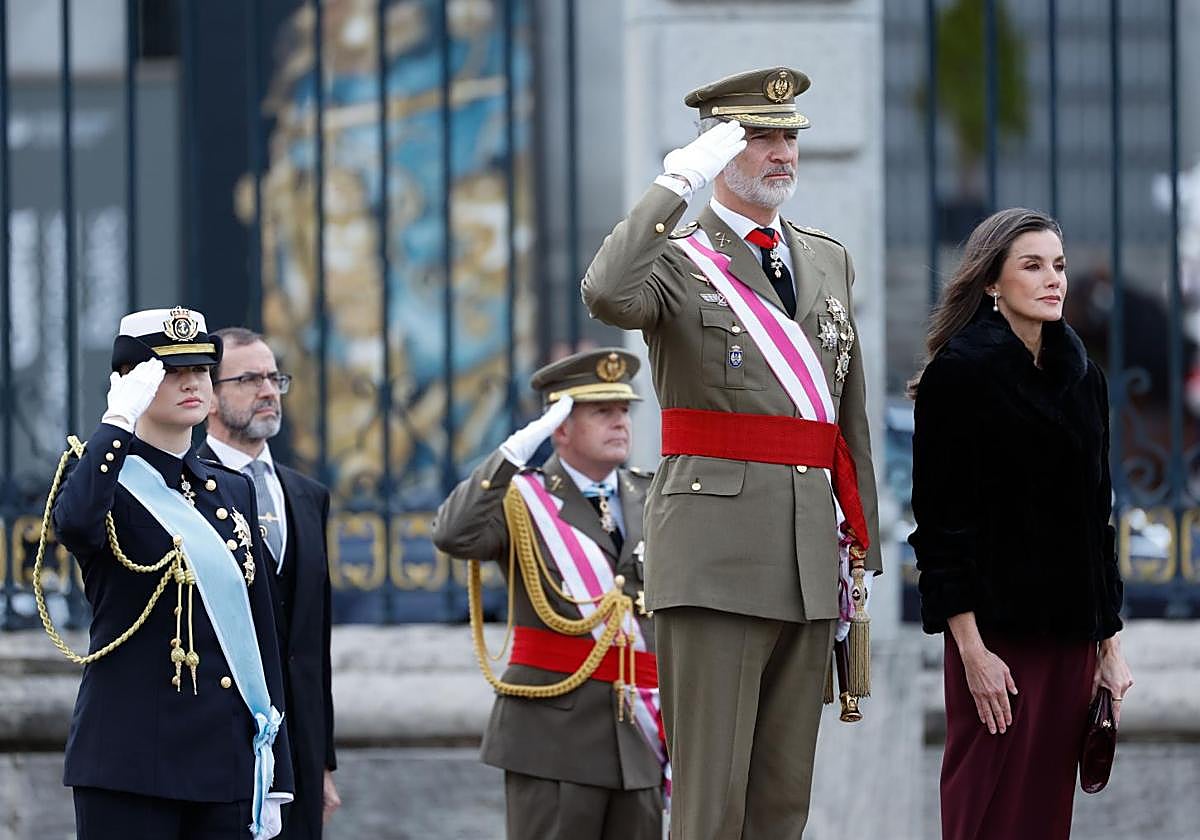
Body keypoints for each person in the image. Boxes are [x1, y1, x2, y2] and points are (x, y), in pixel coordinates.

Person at [581, 67, 881, 838]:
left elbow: (843, 413)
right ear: (718, 148)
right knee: (710, 805)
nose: (783, 152)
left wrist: (860, 542)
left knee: (781, 805)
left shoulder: (827, 259)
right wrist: (678, 181)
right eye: (760, 137)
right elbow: (607, 292)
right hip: (713, 559)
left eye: (790, 136)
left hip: (807, 558)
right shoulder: (675, 260)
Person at [906, 208, 1134, 840]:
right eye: (1032, 266)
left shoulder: (1083, 377)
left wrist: (1109, 646)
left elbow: (1096, 523)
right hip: (995, 644)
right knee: (982, 812)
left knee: (1044, 819)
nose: (1053, 279)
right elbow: (939, 528)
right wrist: (972, 651)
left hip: (1072, 645)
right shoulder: (960, 374)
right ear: (991, 282)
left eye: (1058, 265)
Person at [47, 307, 293, 839]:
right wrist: (116, 422)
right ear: (129, 381)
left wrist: (278, 772)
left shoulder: (232, 490)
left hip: (225, 763)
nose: (191, 383)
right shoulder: (100, 477)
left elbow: (260, 637)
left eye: (200, 370)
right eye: (169, 371)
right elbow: (76, 525)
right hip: (131, 764)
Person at [432, 348, 666, 840]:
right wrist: (514, 453)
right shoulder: (522, 500)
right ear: (560, 428)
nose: (620, 422)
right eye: (602, 411)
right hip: (553, 742)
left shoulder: (652, 496)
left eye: (624, 410)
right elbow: (454, 534)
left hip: (639, 740)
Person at [200, 327, 340, 838]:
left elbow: (313, 644)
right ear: (209, 395)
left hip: (298, 760)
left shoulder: (308, 495)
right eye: (249, 379)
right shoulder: (184, 488)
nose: (268, 391)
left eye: (274, 378)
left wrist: (322, 761)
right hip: (216, 756)